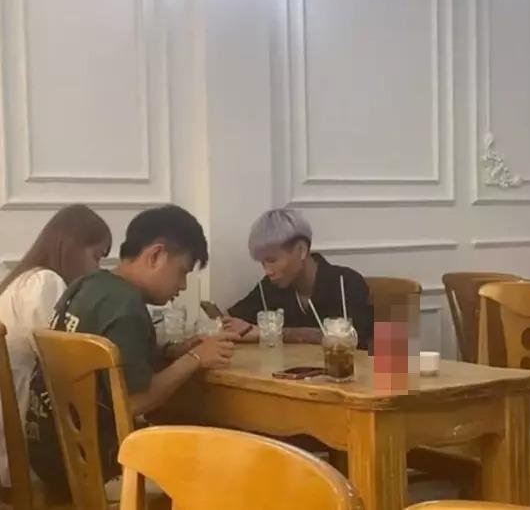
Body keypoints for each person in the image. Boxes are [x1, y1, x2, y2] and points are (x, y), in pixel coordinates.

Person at [26, 205, 238, 500]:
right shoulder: (125, 306)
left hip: (51, 453)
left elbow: (111, 363)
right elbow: (135, 402)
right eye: (182, 272)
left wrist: (174, 351)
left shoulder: (88, 285)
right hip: (101, 466)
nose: (182, 285)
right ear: (156, 255)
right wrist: (196, 359)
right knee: (226, 464)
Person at [0, 204, 112, 487]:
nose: (97, 269)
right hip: (21, 438)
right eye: (96, 256)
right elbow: (63, 360)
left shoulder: (21, 280)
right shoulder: (45, 282)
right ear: (72, 248)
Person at [223, 209, 373, 349]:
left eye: (272, 260)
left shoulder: (346, 282)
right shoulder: (270, 286)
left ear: (301, 250)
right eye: (263, 263)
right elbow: (233, 319)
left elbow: (352, 338)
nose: (267, 271)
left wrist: (271, 332)